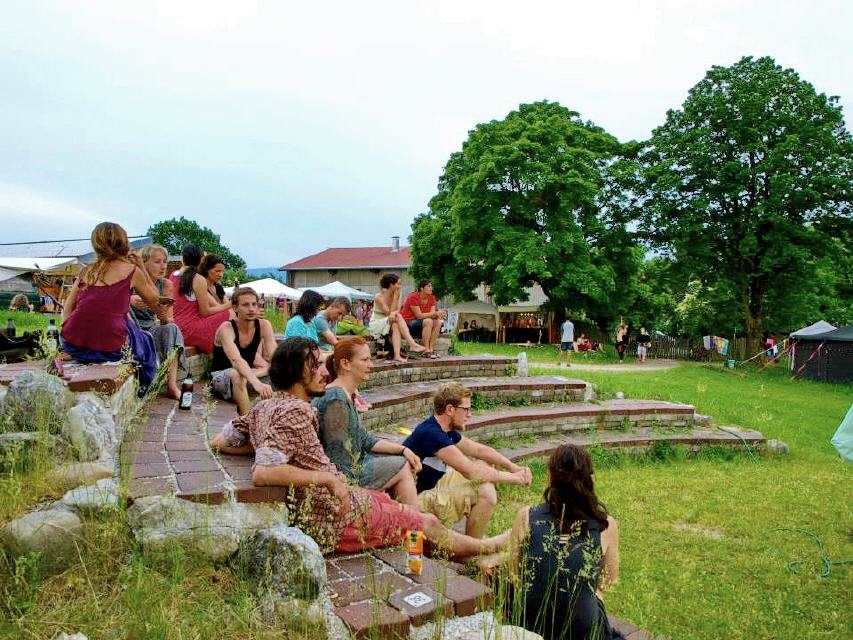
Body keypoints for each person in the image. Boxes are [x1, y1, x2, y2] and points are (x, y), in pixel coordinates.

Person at [209, 337, 509, 557]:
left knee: (401, 509)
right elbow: (264, 472)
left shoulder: (268, 406)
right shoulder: (296, 411)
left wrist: (266, 442)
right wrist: (326, 478)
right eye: (315, 366)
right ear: (299, 372)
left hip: (342, 498)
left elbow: (221, 441)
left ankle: (442, 547)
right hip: (332, 516)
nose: (323, 371)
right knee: (424, 521)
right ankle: (486, 547)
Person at [506, 444, 620, 640]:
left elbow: (515, 574)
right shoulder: (606, 525)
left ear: (550, 478)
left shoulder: (525, 516)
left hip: (530, 623)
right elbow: (607, 582)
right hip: (582, 628)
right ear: (589, 480)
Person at [403, 382, 533, 538]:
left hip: (430, 485)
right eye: (466, 409)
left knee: (484, 463)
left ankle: (474, 540)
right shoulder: (431, 433)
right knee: (485, 493)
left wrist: (513, 467)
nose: (469, 414)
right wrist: (516, 478)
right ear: (450, 409)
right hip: (413, 502)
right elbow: (473, 473)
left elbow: (479, 450)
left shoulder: (444, 429)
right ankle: (473, 550)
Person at [313, 336, 421, 506]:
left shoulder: (345, 394)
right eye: (365, 360)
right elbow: (339, 458)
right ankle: (414, 525)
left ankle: (408, 523)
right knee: (401, 466)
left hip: (353, 465)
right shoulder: (336, 399)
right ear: (345, 364)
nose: (371, 365)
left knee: (401, 460)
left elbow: (364, 438)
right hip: (342, 480)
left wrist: (403, 449)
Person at [60, 222, 166, 388]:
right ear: (124, 243)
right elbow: (155, 300)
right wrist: (141, 267)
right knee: (146, 338)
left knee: (122, 317)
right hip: (112, 347)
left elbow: (67, 309)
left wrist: (67, 335)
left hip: (74, 343)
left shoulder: (86, 271)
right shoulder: (132, 270)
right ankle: (145, 387)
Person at [130, 244, 187, 399]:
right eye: (157, 262)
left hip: (151, 327)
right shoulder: (132, 278)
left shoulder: (165, 284)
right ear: (144, 262)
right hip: (132, 327)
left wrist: (158, 309)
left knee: (172, 328)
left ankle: (172, 385)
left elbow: (167, 320)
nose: (163, 266)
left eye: (165, 262)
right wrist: (129, 300)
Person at [210, 287, 277, 416]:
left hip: (248, 375)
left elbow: (275, 356)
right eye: (245, 305)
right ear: (235, 308)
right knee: (237, 374)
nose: (251, 309)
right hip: (222, 378)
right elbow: (236, 360)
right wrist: (257, 382)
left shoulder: (264, 325)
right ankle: (246, 423)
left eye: (254, 304)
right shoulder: (227, 328)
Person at [170, 245, 232, 354]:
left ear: (182, 259)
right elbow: (205, 312)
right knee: (230, 314)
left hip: (176, 329)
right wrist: (229, 305)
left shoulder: (173, 275)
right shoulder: (198, 279)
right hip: (191, 330)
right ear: (202, 259)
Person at [368, 273, 426, 363]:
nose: (400, 286)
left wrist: (396, 299)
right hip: (378, 323)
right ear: (391, 285)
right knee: (397, 316)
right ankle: (412, 344)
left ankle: (397, 356)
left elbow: (397, 310)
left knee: (395, 324)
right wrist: (395, 298)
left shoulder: (398, 293)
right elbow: (388, 313)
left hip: (391, 320)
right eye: (398, 284)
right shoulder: (379, 297)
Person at [401, 279, 446, 358]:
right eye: (428, 286)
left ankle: (431, 349)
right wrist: (435, 313)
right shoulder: (413, 297)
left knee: (438, 322)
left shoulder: (432, 298)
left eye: (431, 286)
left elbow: (432, 315)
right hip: (408, 323)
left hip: (423, 323)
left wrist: (439, 314)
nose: (431, 288)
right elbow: (419, 316)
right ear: (421, 288)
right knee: (428, 321)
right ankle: (426, 350)